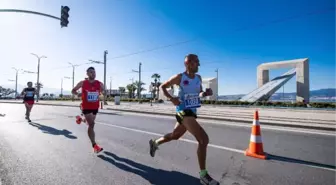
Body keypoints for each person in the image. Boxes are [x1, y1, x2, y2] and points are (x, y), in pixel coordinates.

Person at [148, 54, 219, 185]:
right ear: (188, 63)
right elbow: (162, 87)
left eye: (198, 62)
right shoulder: (179, 77)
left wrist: (206, 93)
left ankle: (155, 142)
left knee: (175, 135)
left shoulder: (198, 78)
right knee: (203, 139)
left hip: (192, 112)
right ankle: (203, 176)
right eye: (196, 62)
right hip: (183, 112)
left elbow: (199, 93)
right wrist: (172, 98)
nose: (199, 64)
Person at [72, 67, 104, 153]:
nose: (93, 74)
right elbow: (73, 90)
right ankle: (94, 145)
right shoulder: (83, 83)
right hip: (86, 107)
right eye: (91, 72)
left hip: (95, 107)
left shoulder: (99, 84)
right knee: (91, 124)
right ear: (87, 74)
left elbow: (103, 91)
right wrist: (78, 94)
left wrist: (102, 94)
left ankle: (80, 119)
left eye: (94, 72)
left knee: (89, 123)